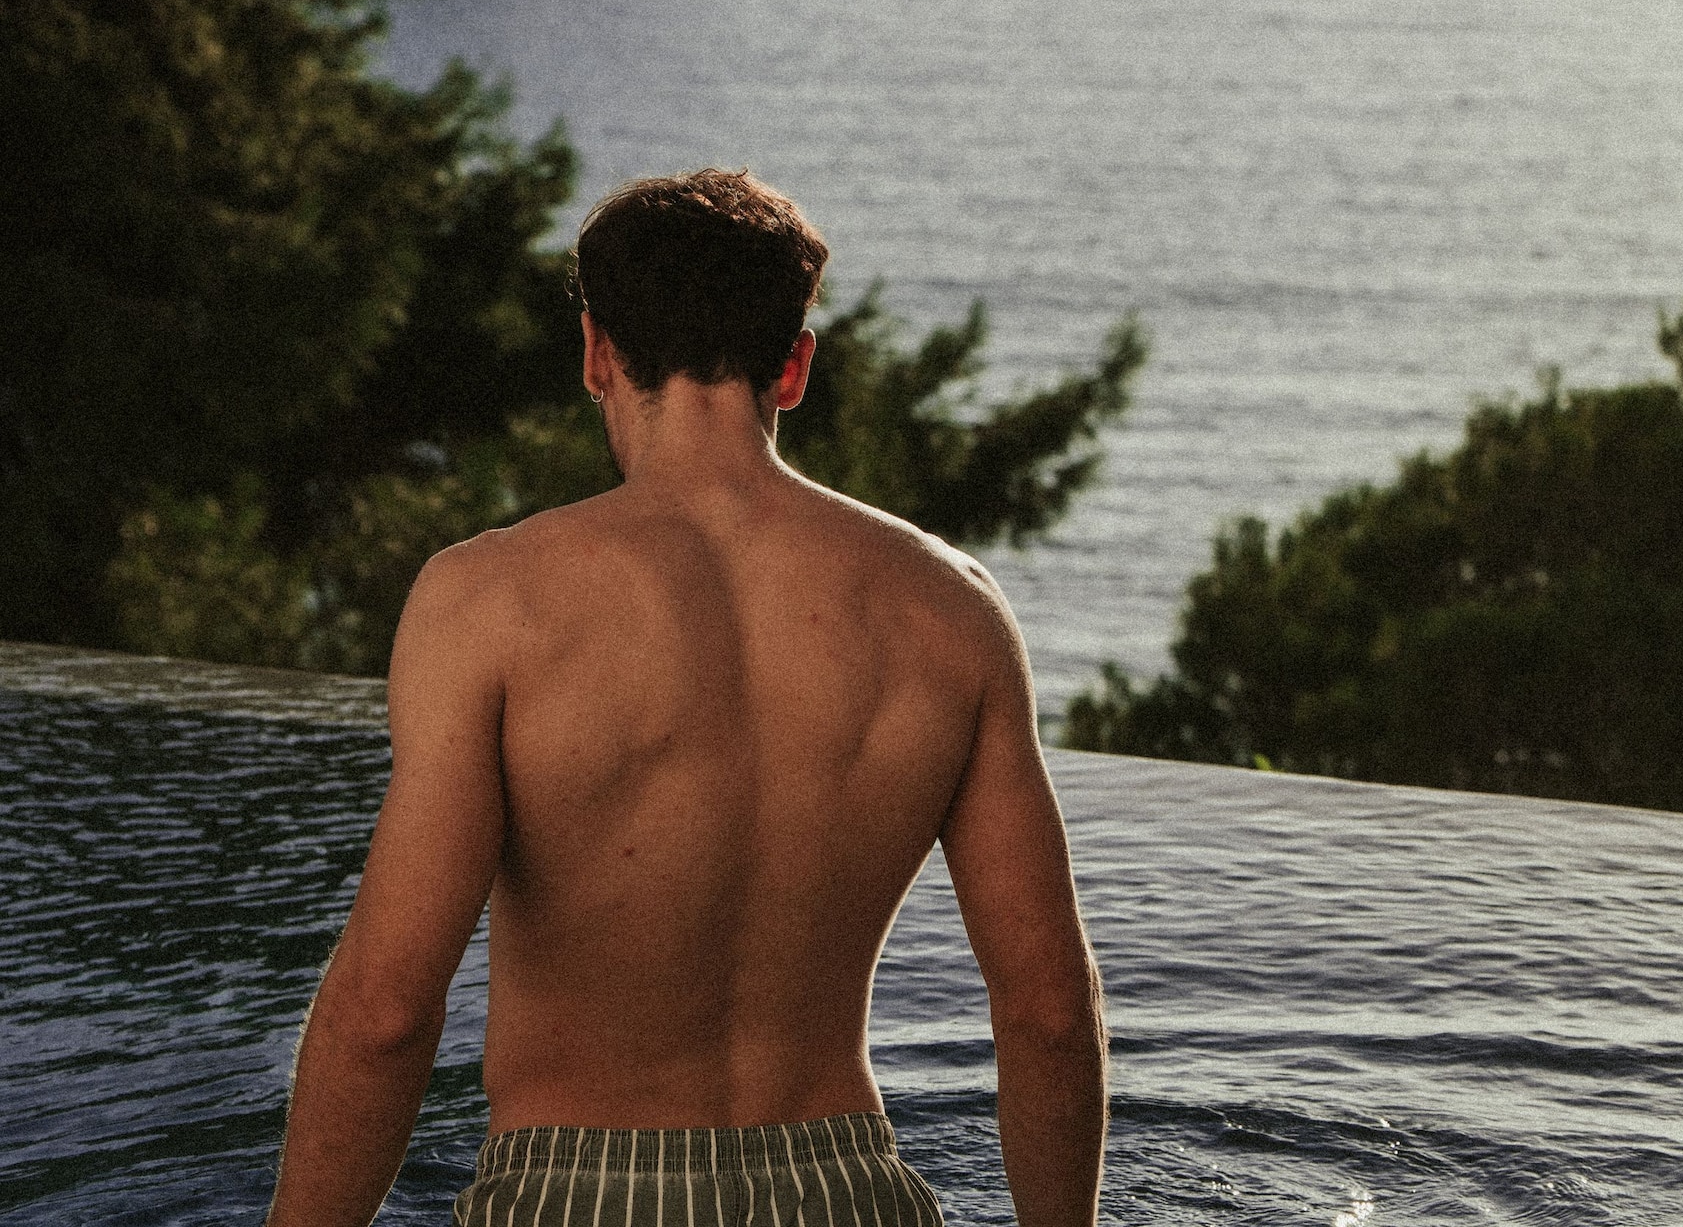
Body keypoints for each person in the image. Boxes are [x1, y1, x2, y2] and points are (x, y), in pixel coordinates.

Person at [264, 170, 1107, 1227]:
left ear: (596, 352)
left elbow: (385, 1010)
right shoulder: (948, 607)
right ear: (793, 365)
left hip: (571, 1192)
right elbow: (1046, 1009)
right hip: (843, 1188)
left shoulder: (489, 599)